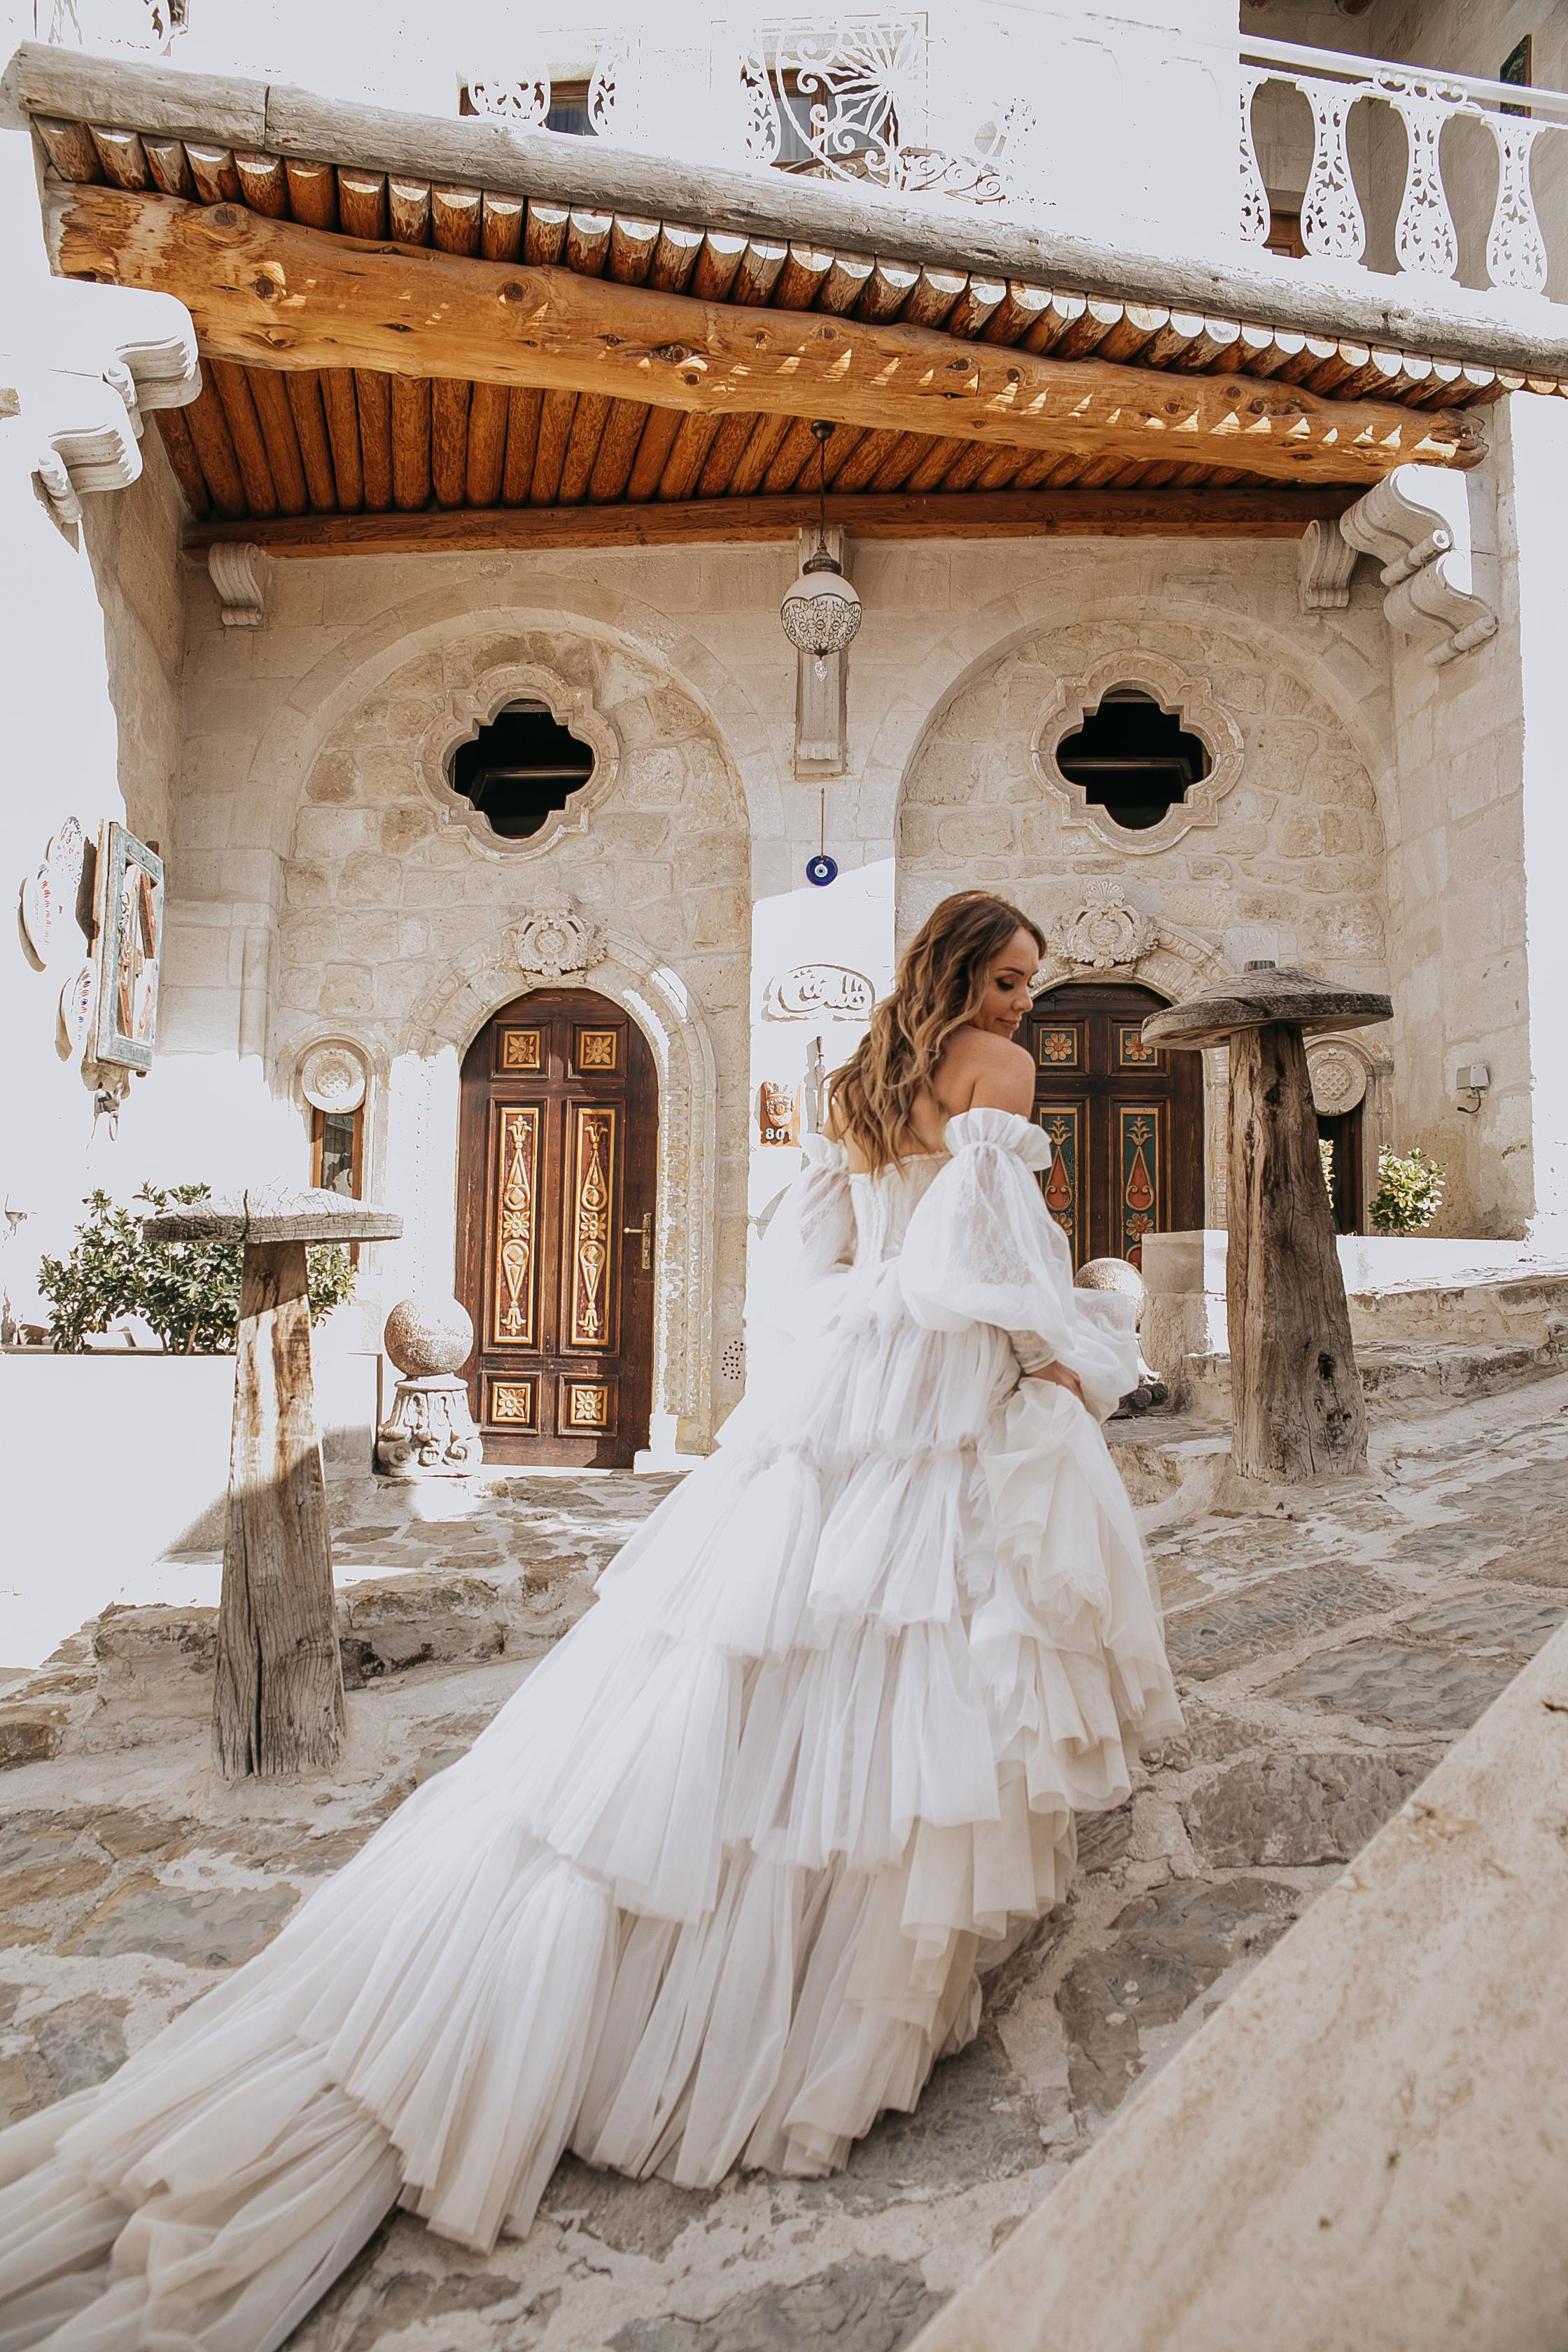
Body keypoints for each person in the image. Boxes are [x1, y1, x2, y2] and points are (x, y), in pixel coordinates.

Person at [0, 892, 1181, 2351]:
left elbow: (809, 1274)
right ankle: (810, 1982)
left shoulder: (864, 1078)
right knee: (890, 1649)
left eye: (1027, 988)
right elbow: (977, 1275)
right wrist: (1081, 1350)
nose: (1019, 1009)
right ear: (957, 971)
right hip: (928, 1384)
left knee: (763, 1656)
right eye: (1006, 979)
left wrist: (897, 1326)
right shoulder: (994, 1078)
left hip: (842, 1385)